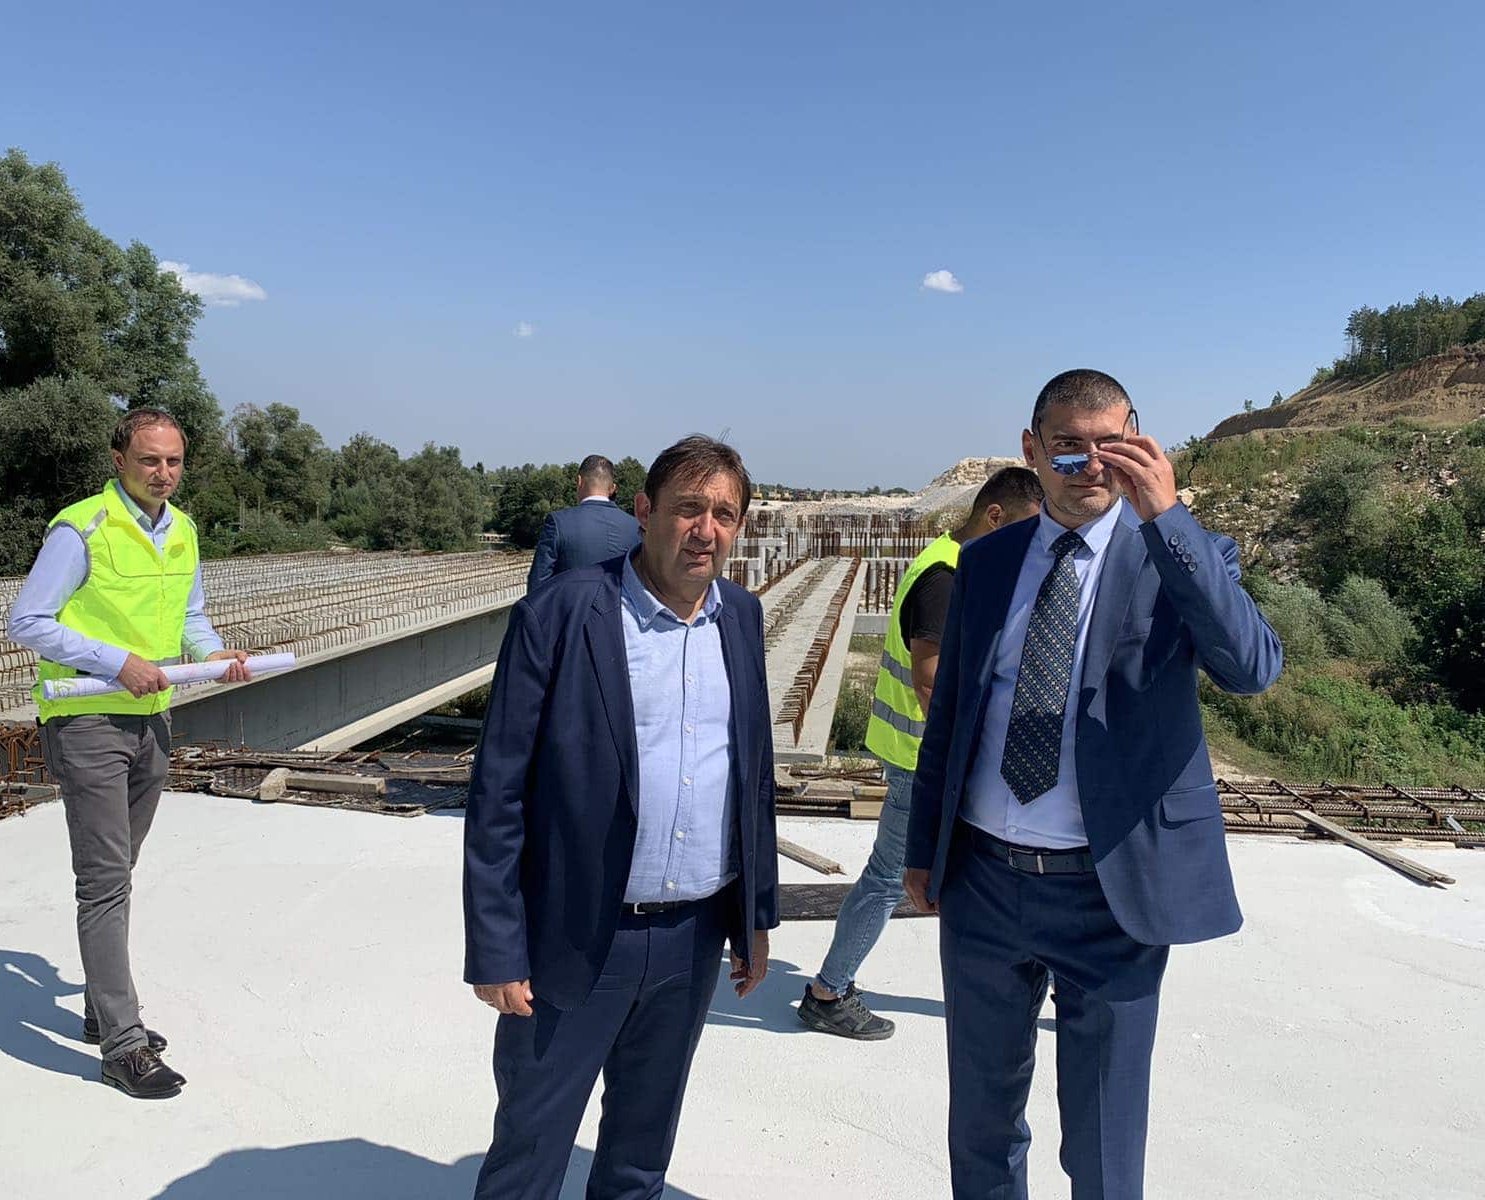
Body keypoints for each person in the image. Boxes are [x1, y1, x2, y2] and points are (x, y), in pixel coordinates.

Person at [903, 370, 1282, 1199]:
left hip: (1111, 892)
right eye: (1069, 448)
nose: (1090, 467)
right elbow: (954, 712)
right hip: (985, 884)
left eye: (1110, 446)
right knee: (981, 1126)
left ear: (1139, 444)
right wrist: (922, 848)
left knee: (1105, 1143)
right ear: (1033, 450)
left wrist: (1169, 518)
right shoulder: (988, 562)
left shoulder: (1180, 554)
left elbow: (1251, 668)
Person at [464, 435, 779, 1200]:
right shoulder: (562, 613)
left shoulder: (740, 617)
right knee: (530, 1152)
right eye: (688, 508)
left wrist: (754, 917)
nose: (705, 529)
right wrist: (498, 946)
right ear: (644, 510)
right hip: (573, 936)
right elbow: (499, 790)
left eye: (724, 514)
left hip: (691, 939)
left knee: (640, 1157)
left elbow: (751, 777)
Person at [8, 408, 252, 1100]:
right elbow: (27, 620)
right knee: (105, 879)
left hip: (153, 718)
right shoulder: (80, 527)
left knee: (120, 867)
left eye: (173, 461)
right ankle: (122, 1044)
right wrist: (116, 661)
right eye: (149, 460)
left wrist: (215, 655)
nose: (163, 473)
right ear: (119, 460)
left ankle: (100, 1003)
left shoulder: (184, 529)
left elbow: (190, 616)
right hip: (88, 718)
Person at [798, 467, 1042, 1040]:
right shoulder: (946, 578)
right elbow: (930, 682)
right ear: (995, 517)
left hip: (918, 754)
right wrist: (964, 761)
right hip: (919, 759)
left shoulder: (957, 561)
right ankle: (827, 992)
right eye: (1025, 532)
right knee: (888, 878)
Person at [526, 453, 641, 591]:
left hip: (570, 604)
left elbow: (538, 584)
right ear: (613, 488)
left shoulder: (558, 523)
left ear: (579, 481)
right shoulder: (636, 527)